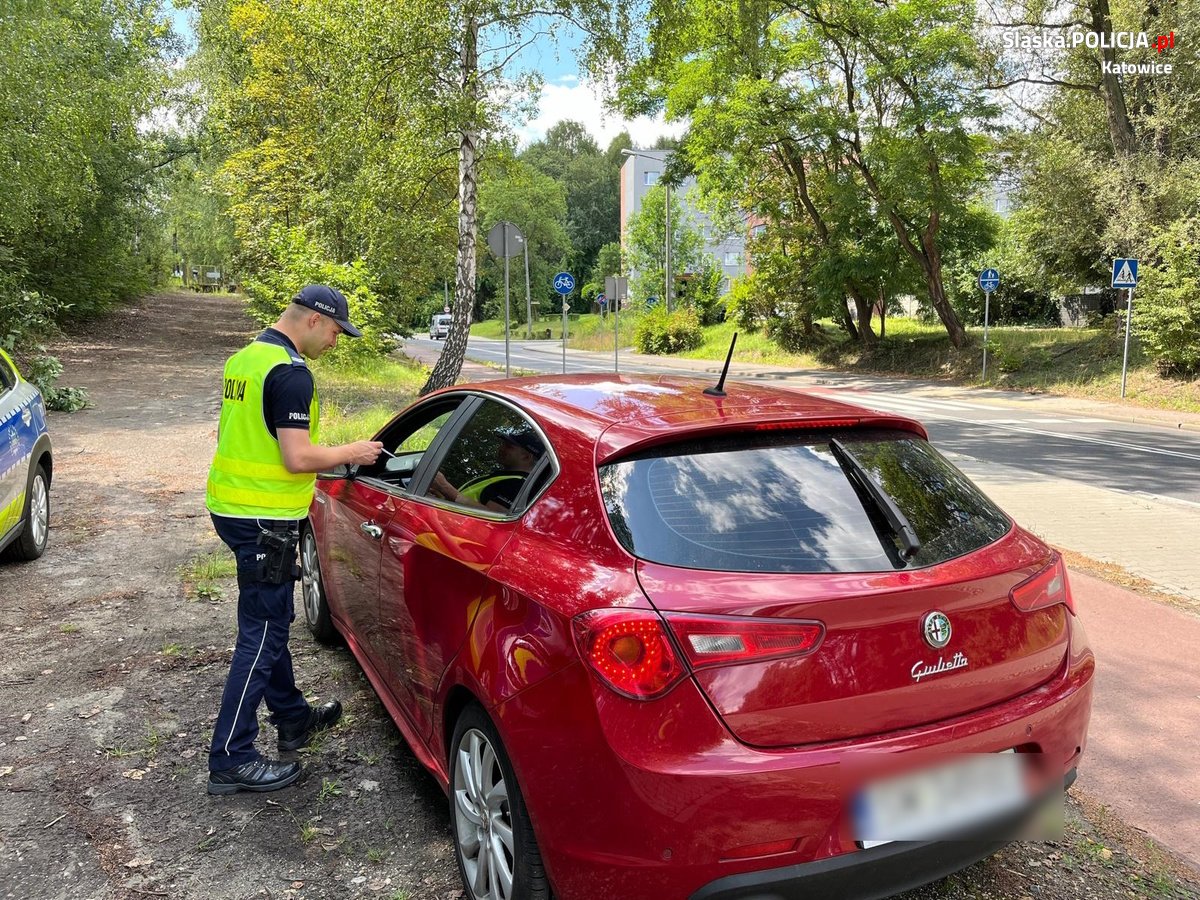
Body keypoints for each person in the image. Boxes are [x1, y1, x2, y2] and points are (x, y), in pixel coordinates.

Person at [204, 284, 383, 795]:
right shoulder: (290, 372)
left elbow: (247, 436)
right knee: (262, 633)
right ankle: (231, 757)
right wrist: (353, 451)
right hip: (263, 518)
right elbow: (297, 457)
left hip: (232, 507)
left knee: (271, 619)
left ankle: (292, 717)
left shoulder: (246, 359)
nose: (335, 341)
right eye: (336, 331)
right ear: (313, 320)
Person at [428, 427, 544, 513]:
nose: (501, 448)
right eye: (503, 444)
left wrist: (444, 487)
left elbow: (492, 517)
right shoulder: (503, 477)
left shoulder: (517, 485)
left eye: (509, 447)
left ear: (526, 457)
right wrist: (442, 496)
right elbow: (469, 502)